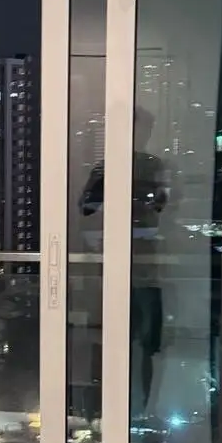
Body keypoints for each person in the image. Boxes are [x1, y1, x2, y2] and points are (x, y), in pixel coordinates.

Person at [79, 108, 170, 418]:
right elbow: (86, 207)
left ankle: (142, 407)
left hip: (145, 256)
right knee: (115, 332)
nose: (140, 135)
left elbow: (164, 206)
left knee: (148, 339)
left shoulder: (152, 165)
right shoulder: (106, 166)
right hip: (118, 256)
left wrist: (150, 200)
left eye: (144, 129)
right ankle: (109, 406)